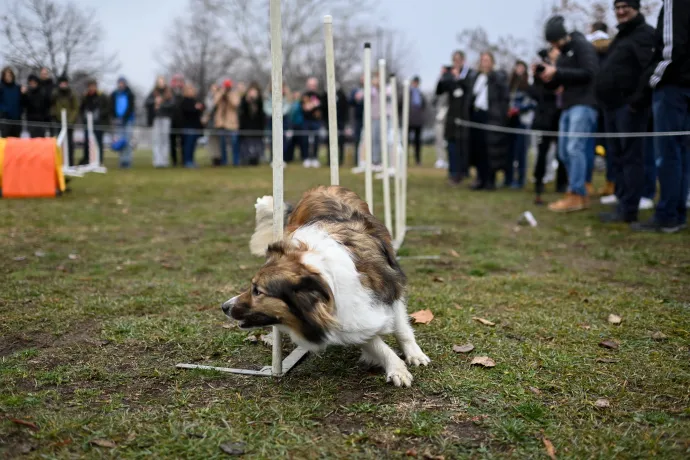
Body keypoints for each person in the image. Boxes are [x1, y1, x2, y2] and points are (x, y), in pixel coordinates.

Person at [631, 0, 690, 233]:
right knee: (682, 154)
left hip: (672, 88)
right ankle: (676, 214)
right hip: (683, 86)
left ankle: (667, 214)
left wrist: (652, 81)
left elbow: (670, 48)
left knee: (667, 155)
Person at [595, 0, 656, 224]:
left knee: (632, 158)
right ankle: (622, 202)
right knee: (618, 158)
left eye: (625, 7)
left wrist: (635, 102)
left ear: (636, 8)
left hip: (629, 107)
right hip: (611, 107)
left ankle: (630, 208)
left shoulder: (644, 34)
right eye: (617, 7)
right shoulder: (621, 36)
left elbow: (649, 70)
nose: (620, 11)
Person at [540, 15, 599, 212]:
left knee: (575, 148)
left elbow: (590, 73)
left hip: (584, 104)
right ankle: (576, 189)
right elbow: (560, 82)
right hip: (568, 106)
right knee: (564, 152)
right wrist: (546, 77)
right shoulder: (564, 55)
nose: (553, 45)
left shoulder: (582, 46)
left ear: (561, 36)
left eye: (554, 41)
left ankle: (577, 194)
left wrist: (558, 73)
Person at [530, 48, 569, 205]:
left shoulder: (565, 67)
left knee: (562, 152)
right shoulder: (541, 70)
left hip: (560, 116)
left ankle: (562, 183)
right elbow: (534, 92)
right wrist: (538, 77)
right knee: (542, 151)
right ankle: (539, 181)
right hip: (544, 118)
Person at [468, 52, 510, 190]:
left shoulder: (497, 77)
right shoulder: (476, 77)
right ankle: (480, 177)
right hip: (477, 116)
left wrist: (501, 115)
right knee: (478, 149)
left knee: (491, 150)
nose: (484, 63)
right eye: (482, 60)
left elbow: (504, 98)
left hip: (491, 117)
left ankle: (490, 180)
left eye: (487, 60)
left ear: (492, 62)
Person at [435, 50, 475, 185]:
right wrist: (443, 77)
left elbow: (469, 90)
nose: (456, 63)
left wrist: (458, 78)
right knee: (451, 144)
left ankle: (462, 172)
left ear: (463, 60)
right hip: (451, 115)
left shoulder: (469, 74)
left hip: (464, 115)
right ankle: (452, 172)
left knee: (462, 146)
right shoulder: (449, 74)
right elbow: (439, 90)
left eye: (459, 60)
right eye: (454, 60)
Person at [588, 22, 616, 197]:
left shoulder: (604, 51)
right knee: (606, 146)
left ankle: (610, 182)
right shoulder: (611, 50)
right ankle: (609, 182)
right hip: (600, 104)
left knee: (607, 146)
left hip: (602, 104)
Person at [506, 60, 536, 189]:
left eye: (521, 67)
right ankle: (509, 178)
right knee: (510, 152)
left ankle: (521, 179)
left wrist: (519, 109)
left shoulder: (528, 87)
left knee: (521, 152)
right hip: (510, 122)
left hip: (522, 122)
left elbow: (533, 103)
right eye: (517, 67)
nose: (519, 69)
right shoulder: (510, 86)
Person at [79, 79, 110, 165]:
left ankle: (99, 160)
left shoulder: (102, 96)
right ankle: (86, 159)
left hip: (98, 123)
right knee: (86, 142)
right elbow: (81, 108)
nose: (91, 88)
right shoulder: (85, 97)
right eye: (90, 86)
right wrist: (84, 117)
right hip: (87, 123)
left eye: (93, 86)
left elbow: (107, 108)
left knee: (98, 142)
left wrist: (99, 115)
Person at [145, 76, 175, 168]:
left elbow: (172, 104)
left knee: (165, 140)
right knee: (157, 140)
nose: (161, 83)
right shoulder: (153, 92)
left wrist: (161, 104)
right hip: (156, 118)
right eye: (159, 81)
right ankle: (157, 161)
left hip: (166, 118)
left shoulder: (169, 92)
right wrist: (155, 101)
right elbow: (147, 102)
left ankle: (164, 161)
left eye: (162, 81)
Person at [51, 74, 79, 166]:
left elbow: (75, 108)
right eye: (61, 83)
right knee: (59, 143)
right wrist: (55, 116)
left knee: (70, 144)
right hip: (59, 122)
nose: (63, 85)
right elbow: (53, 106)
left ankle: (70, 163)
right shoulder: (55, 94)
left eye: (64, 83)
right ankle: (60, 163)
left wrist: (70, 120)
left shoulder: (72, 94)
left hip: (70, 123)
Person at [214, 79, 241, 166]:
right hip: (221, 122)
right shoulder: (220, 93)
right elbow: (215, 102)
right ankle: (224, 161)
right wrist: (222, 93)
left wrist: (228, 95)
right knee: (222, 144)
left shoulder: (234, 94)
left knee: (234, 142)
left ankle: (235, 161)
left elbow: (235, 104)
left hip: (232, 123)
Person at [111, 77, 136, 168]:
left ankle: (127, 161)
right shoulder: (114, 94)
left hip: (128, 120)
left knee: (127, 141)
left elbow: (130, 108)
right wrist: (116, 118)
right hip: (118, 121)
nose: (121, 85)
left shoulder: (130, 94)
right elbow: (112, 107)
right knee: (120, 142)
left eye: (122, 83)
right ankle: (122, 161)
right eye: (119, 83)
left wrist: (124, 118)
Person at [239, 82, 265, 166]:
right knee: (246, 144)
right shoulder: (244, 99)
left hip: (257, 128)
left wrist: (256, 100)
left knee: (256, 144)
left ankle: (255, 159)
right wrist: (247, 101)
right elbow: (242, 110)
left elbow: (261, 113)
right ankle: (245, 159)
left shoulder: (260, 100)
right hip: (246, 127)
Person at [301, 77, 325, 168]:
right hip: (306, 121)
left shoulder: (320, 96)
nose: (312, 87)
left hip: (316, 121)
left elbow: (321, 108)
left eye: (314, 85)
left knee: (316, 140)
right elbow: (305, 108)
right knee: (305, 140)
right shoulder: (305, 95)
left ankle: (315, 158)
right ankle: (306, 158)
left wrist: (312, 105)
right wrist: (314, 104)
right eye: (310, 85)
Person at [180, 84, 204, 168]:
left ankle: (191, 160)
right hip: (188, 126)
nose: (192, 91)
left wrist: (199, 108)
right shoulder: (184, 101)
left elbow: (200, 110)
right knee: (188, 145)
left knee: (193, 145)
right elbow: (187, 111)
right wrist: (195, 108)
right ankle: (187, 161)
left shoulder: (195, 101)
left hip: (195, 126)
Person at [408, 76, 427, 166]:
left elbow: (424, 105)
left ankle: (418, 160)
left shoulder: (420, 93)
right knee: (406, 140)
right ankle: (405, 160)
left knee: (418, 141)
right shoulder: (407, 92)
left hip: (418, 120)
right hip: (408, 119)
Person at [0, 67, 23, 138]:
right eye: (6, 76)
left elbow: (22, 102)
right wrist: (4, 111)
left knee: (16, 142)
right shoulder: (1, 87)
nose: (8, 77)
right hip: (5, 120)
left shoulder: (17, 88)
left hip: (17, 119)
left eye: (9, 75)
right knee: (6, 141)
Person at [169, 74, 185, 166]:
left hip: (182, 121)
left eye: (180, 81)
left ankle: (183, 160)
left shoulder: (184, 93)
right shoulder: (170, 93)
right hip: (172, 121)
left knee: (182, 142)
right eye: (176, 81)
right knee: (172, 142)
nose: (178, 83)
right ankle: (174, 161)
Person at [349, 76, 365, 168]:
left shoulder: (372, 90)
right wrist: (356, 98)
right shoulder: (356, 90)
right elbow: (350, 102)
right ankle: (357, 160)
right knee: (357, 138)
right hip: (358, 118)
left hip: (370, 118)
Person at [38, 67, 55, 135]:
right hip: (40, 113)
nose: (44, 75)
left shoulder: (52, 85)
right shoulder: (38, 85)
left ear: (48, 74)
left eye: (45, 74)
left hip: (50, 113)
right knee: (41, 134)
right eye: (42, 74)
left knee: (52, 134)